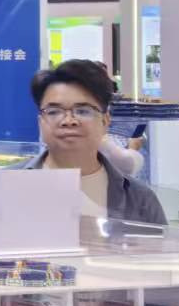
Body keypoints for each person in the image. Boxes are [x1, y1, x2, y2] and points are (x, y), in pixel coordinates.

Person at [23, 60, 166, 224]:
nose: (68, 121)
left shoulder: (140, 200)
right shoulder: (6, 186)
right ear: (40, 122)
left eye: (83, 111)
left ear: (105, 121)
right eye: (54, 111)